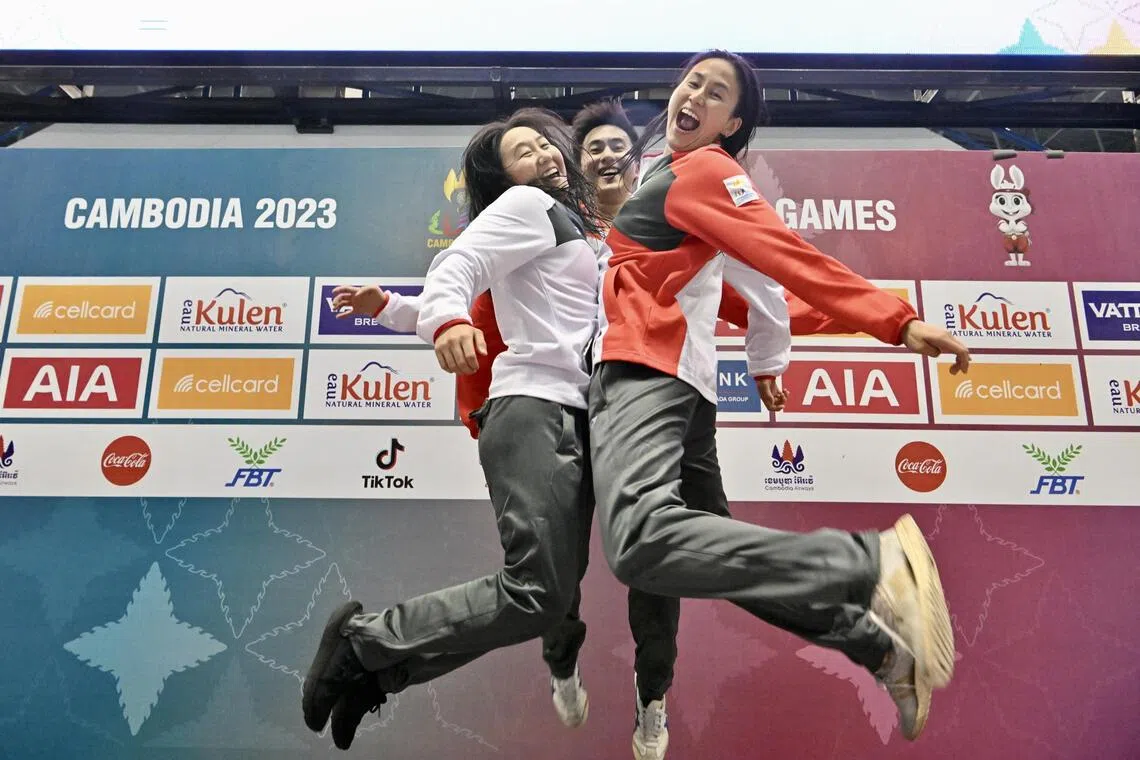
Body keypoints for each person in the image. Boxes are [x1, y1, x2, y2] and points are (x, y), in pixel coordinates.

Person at [342, 98, 968, 757]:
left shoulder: (634, 242)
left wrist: (883, 322)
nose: (586, 159)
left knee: (681, 557)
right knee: (574, 583)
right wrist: (401, 312)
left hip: (646, 403)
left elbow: (758, 297)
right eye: (544, 154)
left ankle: (840, 638)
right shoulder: (537, 229)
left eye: (557, 148)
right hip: (566, 416)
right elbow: (466, 290)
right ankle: (568, 665)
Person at [302, 106, 792, 753]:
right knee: (542, 592)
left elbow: (528, 303)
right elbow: (459, 269)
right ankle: (366, 642)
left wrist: (394, 309)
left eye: (544, 144)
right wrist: (444, 322)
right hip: (536, 409)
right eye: (523, 153)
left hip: (593, 420)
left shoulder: (580, 233)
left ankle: (382, 669)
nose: (545, 156)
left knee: (575, 584)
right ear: (503, 181)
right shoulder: (524, 209)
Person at [587, 49, 967, 746]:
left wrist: (892, 318)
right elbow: (753, 301)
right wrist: (841, 327)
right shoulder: (672, 180)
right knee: (708, 555)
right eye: (692, 79)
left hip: (645, 374)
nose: (695, 91)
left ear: (730, 124)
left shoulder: (703, 170)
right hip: (681, 387)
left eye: (717, 90)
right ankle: (879, 648)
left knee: (641, 543)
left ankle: (870, 564)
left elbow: (785, 255)